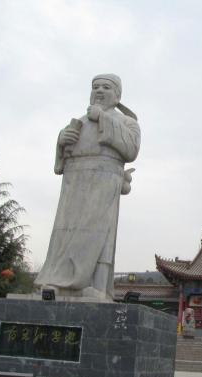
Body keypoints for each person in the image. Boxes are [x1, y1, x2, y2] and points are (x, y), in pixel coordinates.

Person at [35, 74, 141, 301]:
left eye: (106, 87)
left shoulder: (127, 122)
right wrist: (61, 141)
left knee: (99, 235)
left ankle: (96, 286)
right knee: (64, 234)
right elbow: (60, 164)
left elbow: (131, 150)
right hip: (74, 182)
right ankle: (58, 281)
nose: (99, 91)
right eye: (95, 87)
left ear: (117, 96)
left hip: (104, 181)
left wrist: (103, 118)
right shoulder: (79, 122)